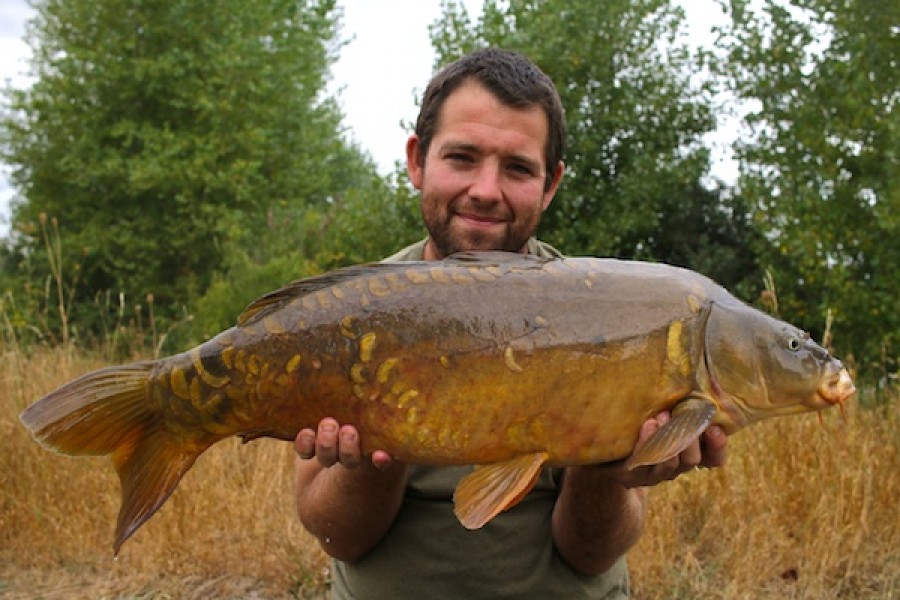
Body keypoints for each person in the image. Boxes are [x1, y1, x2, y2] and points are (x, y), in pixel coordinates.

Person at [293, 48, 727, 598]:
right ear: (417, 161)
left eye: (518, 168)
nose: (486, 191)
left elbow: (589, 553)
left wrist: (607, 458)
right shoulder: (351, 313)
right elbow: (340, 539)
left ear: (550, 183)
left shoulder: (608, 314)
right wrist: (380, 445)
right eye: (462, 158)